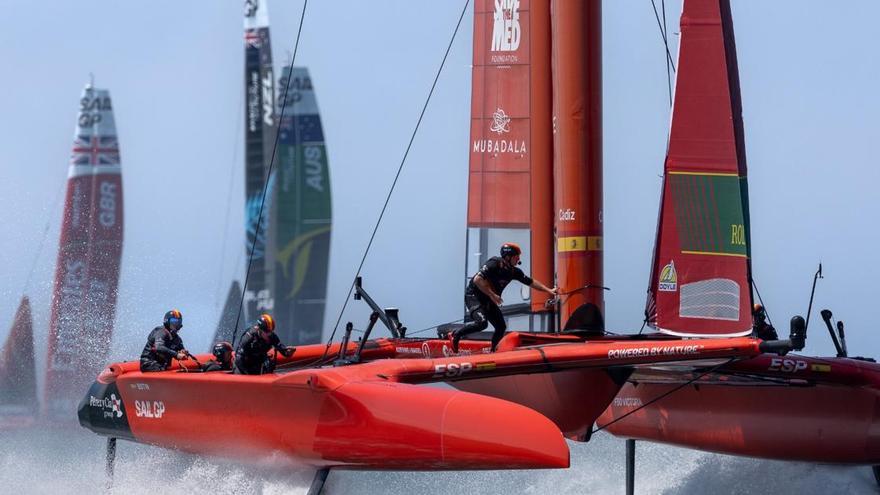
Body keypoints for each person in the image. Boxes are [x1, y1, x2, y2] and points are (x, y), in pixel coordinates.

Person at [452, 243, 557, 353]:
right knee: (482, 323)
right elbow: (477, 280)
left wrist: (549, 290)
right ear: (508, 257)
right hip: (474, 296)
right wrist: (493, 295)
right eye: (516, 257)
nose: (518, 260)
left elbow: (530, 282)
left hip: (489, 299)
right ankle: (456, 334)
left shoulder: (514, 272)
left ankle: (493, 351)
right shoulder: (494, 263)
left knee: (501, 326)